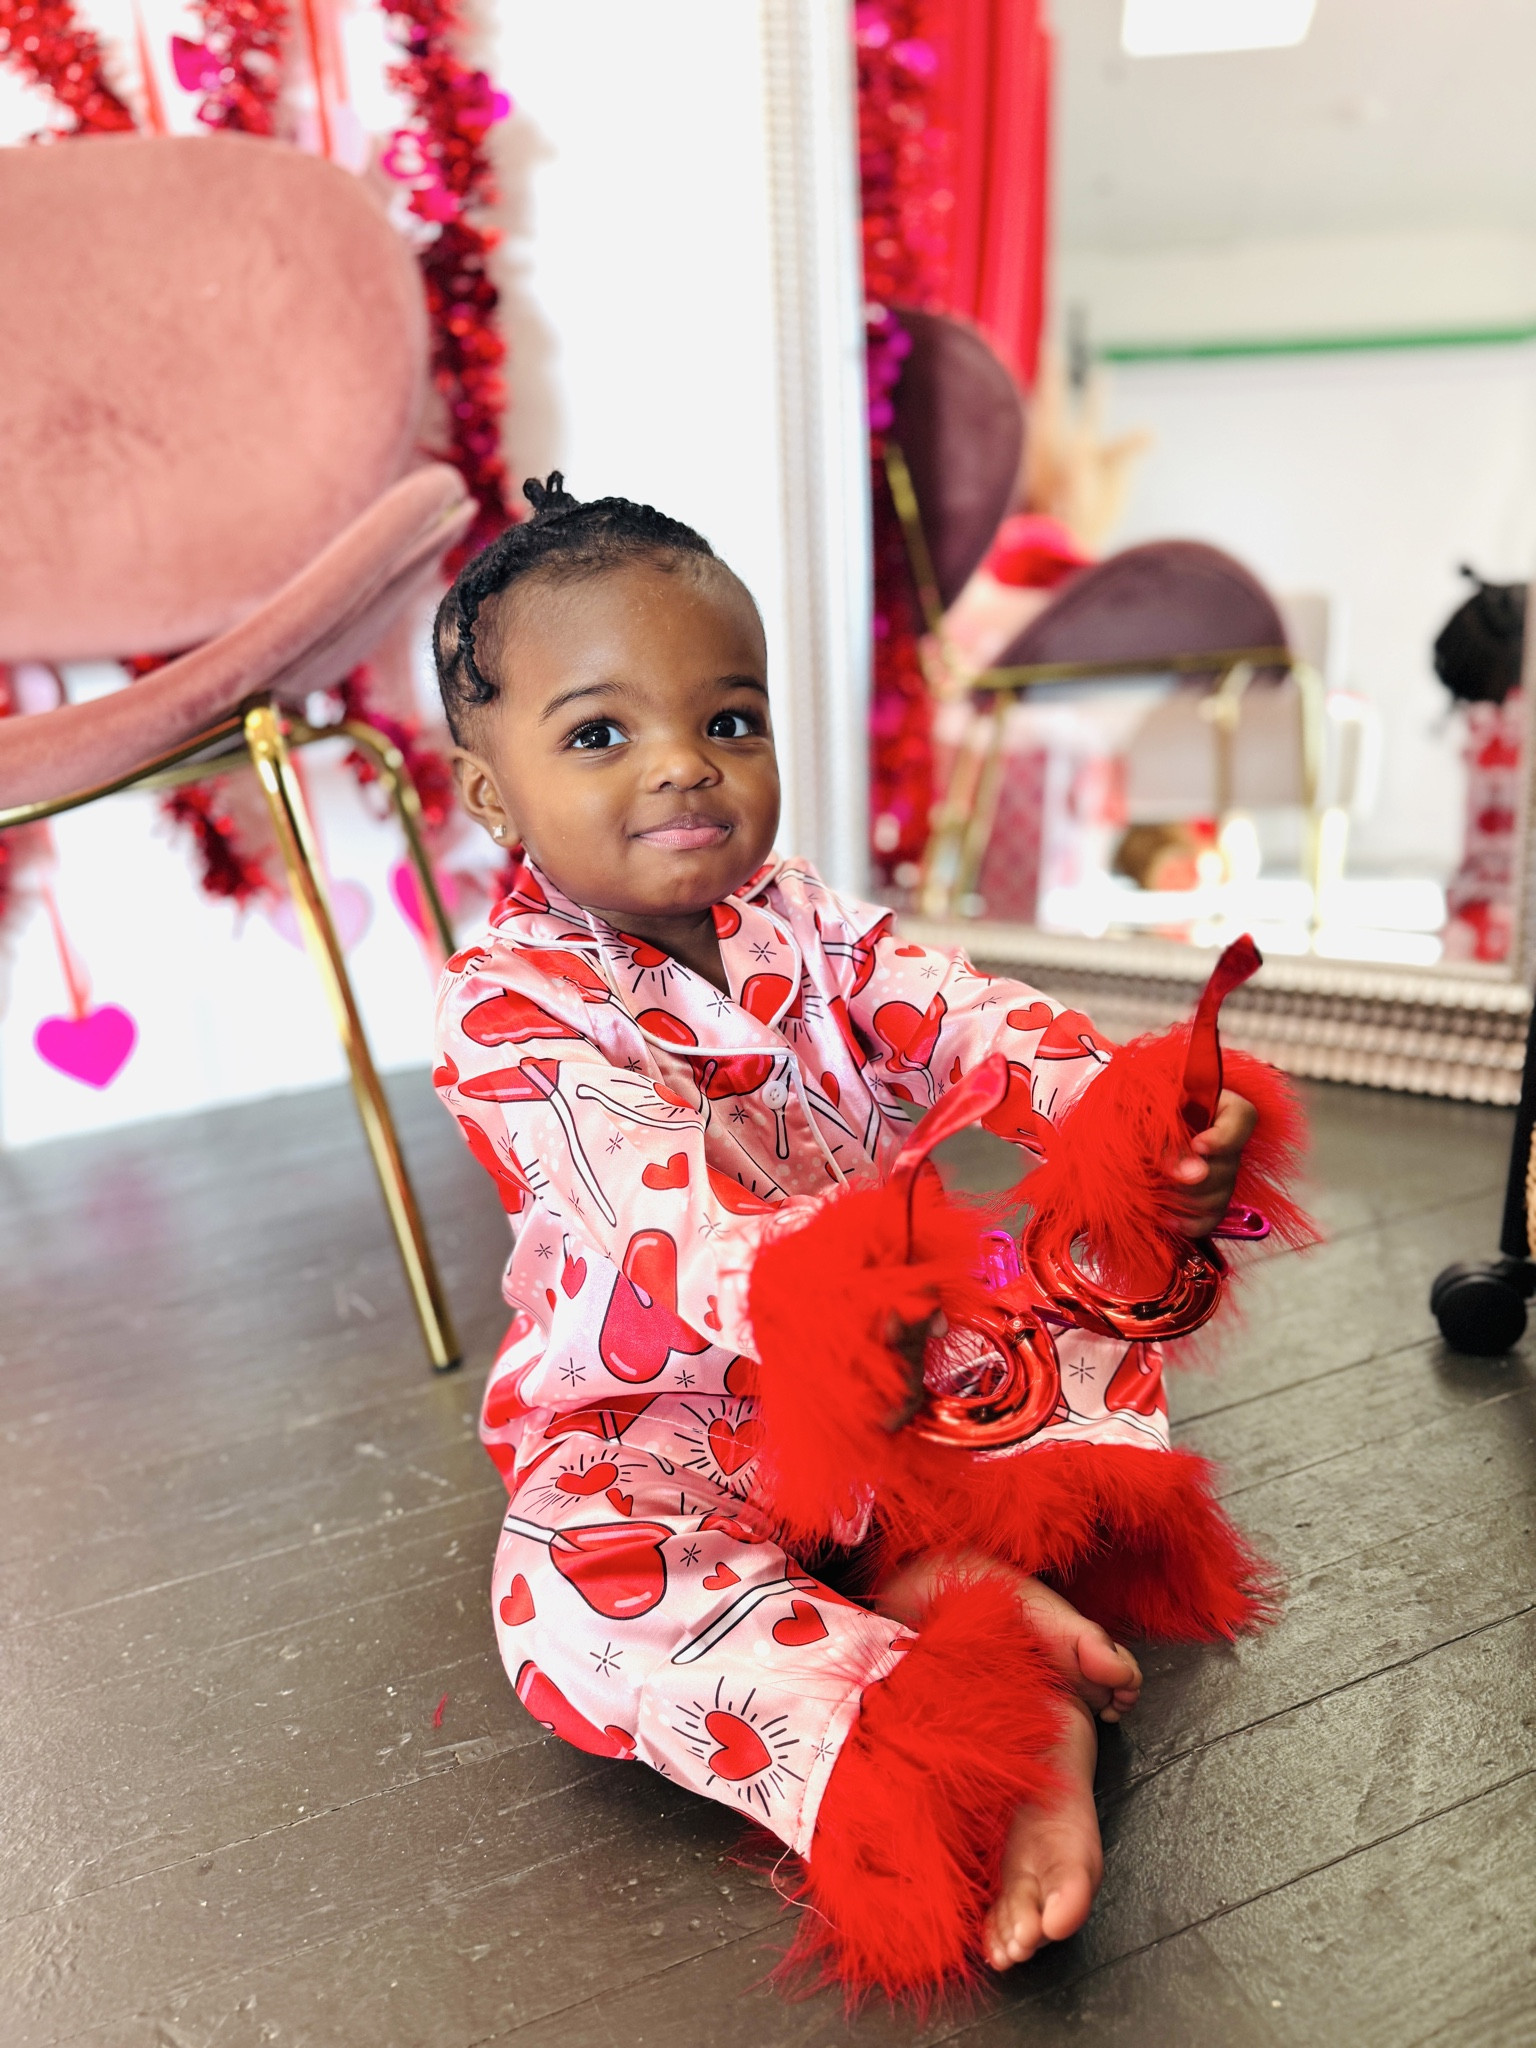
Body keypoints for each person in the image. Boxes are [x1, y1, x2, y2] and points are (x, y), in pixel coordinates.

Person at [431, 475, 1303, 2001]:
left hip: (907, 1382)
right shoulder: (507, 1004)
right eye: (598, 734)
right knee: (557, 1594)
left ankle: (929, 1570)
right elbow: (650, 1198)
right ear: (493, 792)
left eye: (731, 719)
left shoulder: (813, 924)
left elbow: (975, 1020)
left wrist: (1132, 1124)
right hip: (677, 1416)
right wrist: (814, 1299)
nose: (684, 770)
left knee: (1071, 1287)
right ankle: (939, 1708)